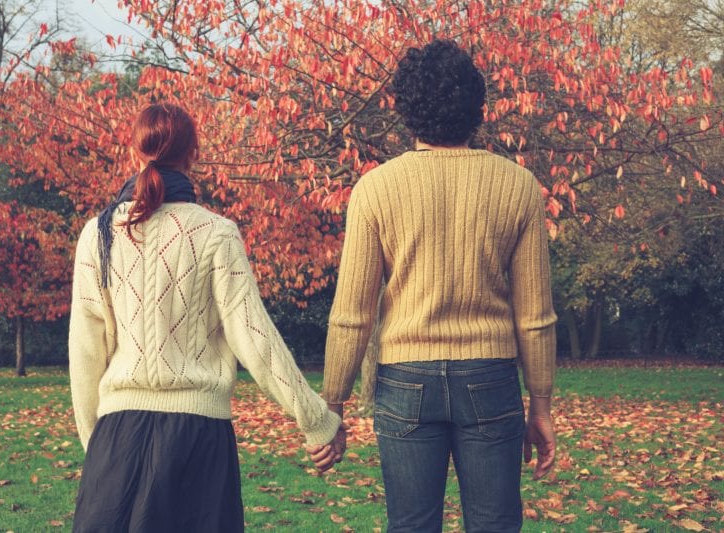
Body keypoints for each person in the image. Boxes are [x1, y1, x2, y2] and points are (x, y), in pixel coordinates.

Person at [68, 103, 345, 532]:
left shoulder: (99, 233)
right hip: (197, 439)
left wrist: (98, 445)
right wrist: (316, 420)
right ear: (193, 154)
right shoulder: (216, 233)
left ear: (133, 153)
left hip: (117, 438)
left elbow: (85, 353)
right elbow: (254, 338)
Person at [322, 40, 558, 532]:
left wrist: (332, 403)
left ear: (407, 109)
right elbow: (534, 316)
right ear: (477, 107)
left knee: (410, 524)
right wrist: (541, 404)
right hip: (490, 378)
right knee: (496, 524)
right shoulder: (517, 185)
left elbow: (352, 315)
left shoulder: (375, 189)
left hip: (405, 380)